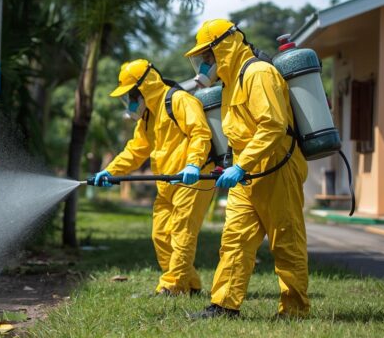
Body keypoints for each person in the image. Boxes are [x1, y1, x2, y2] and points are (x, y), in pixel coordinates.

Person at [184, 19, 309, 319]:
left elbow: (273, 126)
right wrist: (232, 165)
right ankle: (224, 305)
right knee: (234, 240)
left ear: (223, 47)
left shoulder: (258, 73)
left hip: (277, 167)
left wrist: (242, 166)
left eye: (206, 58)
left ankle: (294, 310)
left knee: (286, 240)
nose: (203, 66)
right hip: (247, 173)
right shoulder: (230, 84)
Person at [95, 59, 215, 296]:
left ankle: (171, 286)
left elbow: (200, 133)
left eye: (130, 96)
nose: (129, 103)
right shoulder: (148, 116)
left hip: (194, 178)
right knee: (161, 234)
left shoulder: (179, 100)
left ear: (143, 88)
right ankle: (190, 285)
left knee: (181, 233)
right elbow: (136, 150)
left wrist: (193, 164)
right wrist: (111, 171)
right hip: (168, 181)